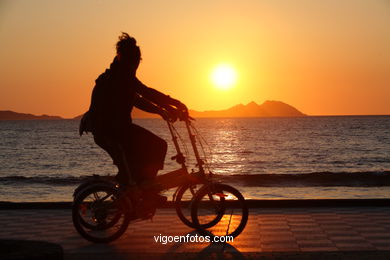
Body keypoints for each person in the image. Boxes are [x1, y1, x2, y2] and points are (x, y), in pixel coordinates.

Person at [79, 33, 188, 208]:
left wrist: (164, 109)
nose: (137, 65)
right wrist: (172, 104)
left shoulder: (119, 73)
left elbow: (137, 98)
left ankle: (138, 193)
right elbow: (145, 93)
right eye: (136, 61)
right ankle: (147, 192)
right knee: (158, 145)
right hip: (111, 131)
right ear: (130, 60)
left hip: (114, 129)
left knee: (134, 165)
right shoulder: (120, 76)